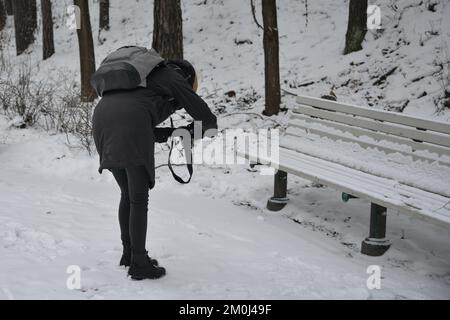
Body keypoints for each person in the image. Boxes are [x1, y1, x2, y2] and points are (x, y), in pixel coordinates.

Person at [92, 57, 218, 280]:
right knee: (138, 199)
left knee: (127, 194)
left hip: (102, 120)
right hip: (129, 123)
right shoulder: (172, 77)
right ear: (186, 76)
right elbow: (206, 119)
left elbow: (141, 125)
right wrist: (199, 130)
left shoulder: (142, 81)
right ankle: (139, 263)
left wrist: (177, 133)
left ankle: (129, 254)